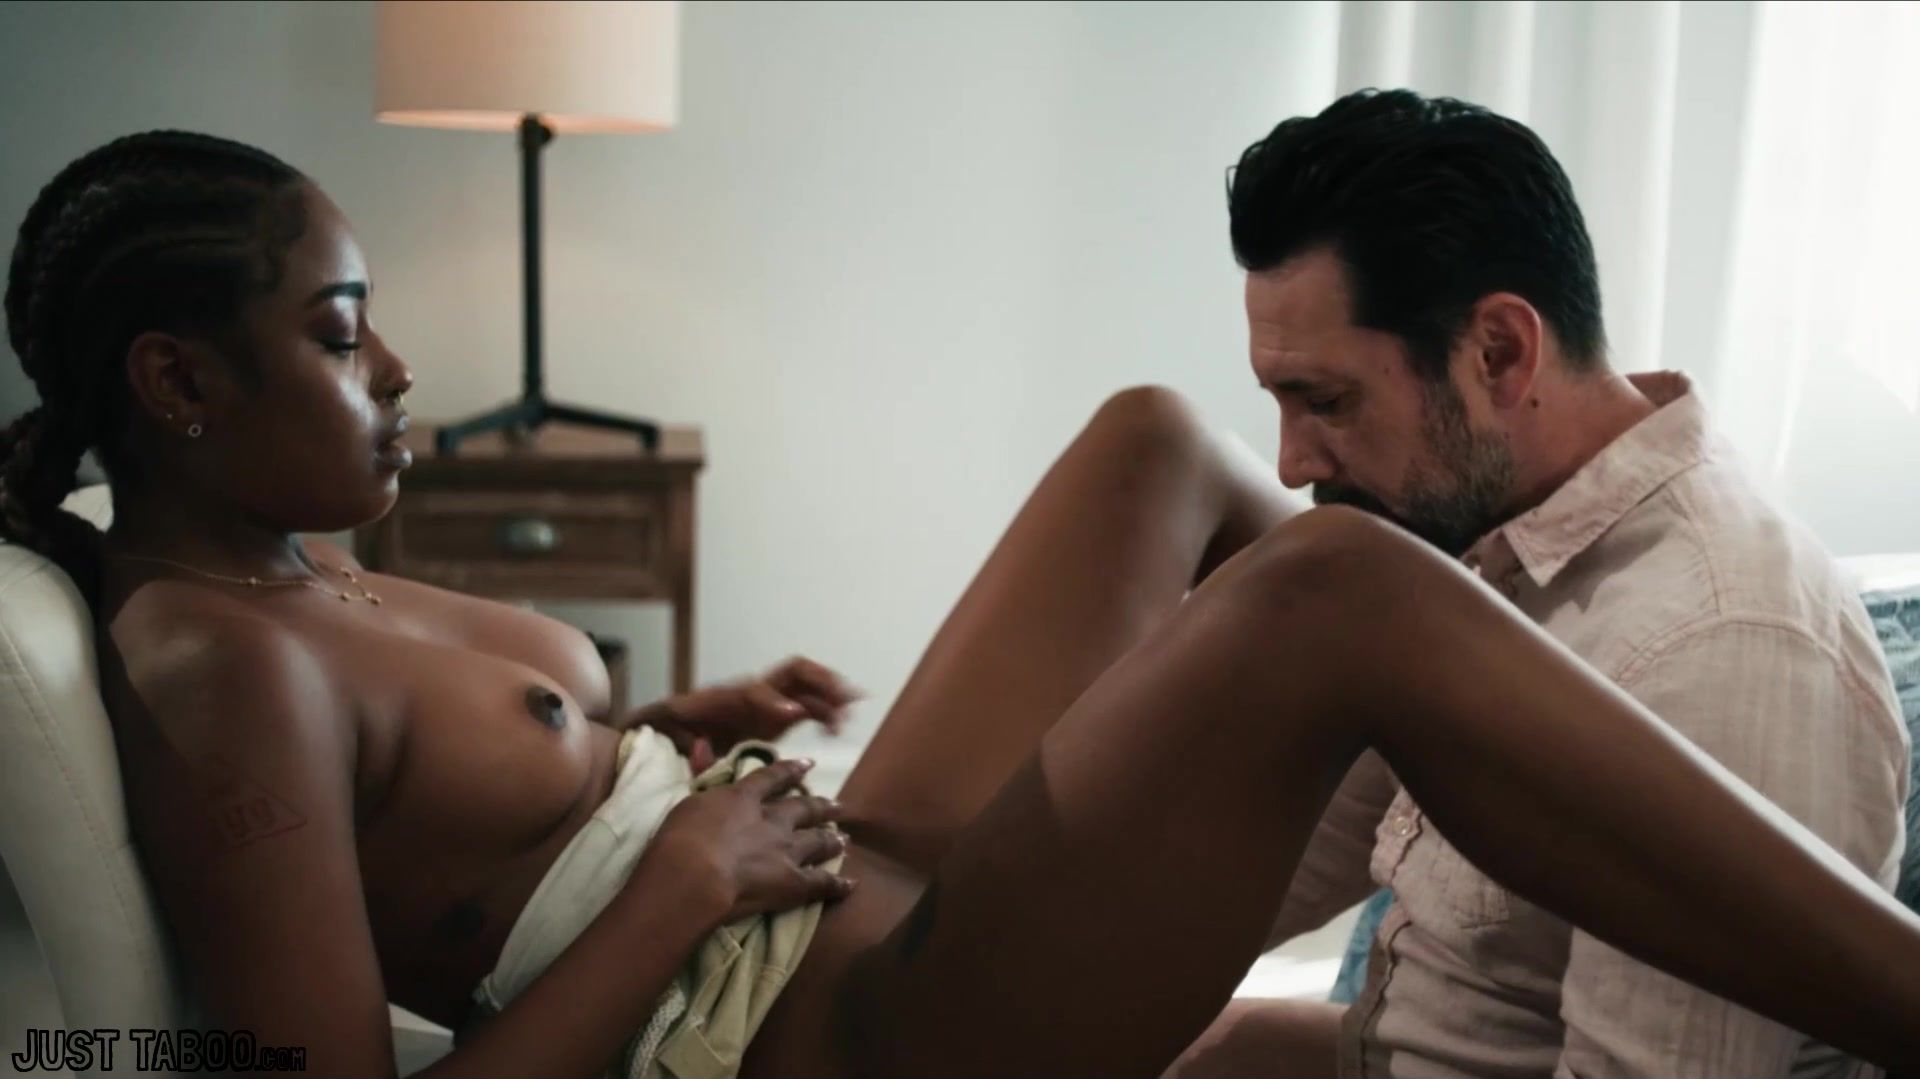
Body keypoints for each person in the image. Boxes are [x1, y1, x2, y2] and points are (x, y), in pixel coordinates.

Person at [1, 129, 1916, 1079]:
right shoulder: (213, 662)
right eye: (343, 334)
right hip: (846, 1027)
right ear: (178, 382)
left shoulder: (281, 563)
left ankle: (1469, 693)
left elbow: (455, 826)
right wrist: (675, 880)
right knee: (1335, 581)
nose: (398, 367)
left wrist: (650, 737)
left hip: (828, 879)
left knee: (1155, 441)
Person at [1164, 89, 1912, 1079]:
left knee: (1152, 451)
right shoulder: (1481, 555)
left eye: (1327, 401)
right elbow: (1239, 885)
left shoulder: (1717, 645)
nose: (1293, 462)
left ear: (1500, 353)